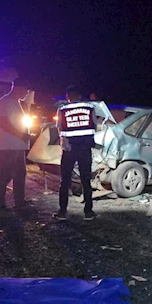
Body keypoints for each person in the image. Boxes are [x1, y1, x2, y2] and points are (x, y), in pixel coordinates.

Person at [53, 85, 96, 221]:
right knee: (86, 180)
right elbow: (94, 125)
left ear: (68, 97)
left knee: (65, 180)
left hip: (69, 148)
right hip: (85, 148)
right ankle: (88, 212)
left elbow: (59, 127)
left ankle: (62, 211)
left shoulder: (63, 109)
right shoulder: (90, 108)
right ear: (79, 96)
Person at [0, 77, 32, 212]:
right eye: (25, 91)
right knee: (5, 175)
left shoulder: (17, 103)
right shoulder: (5, 101)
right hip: (7, 146)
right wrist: (21, 135)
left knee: (20, 174)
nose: (26, 94)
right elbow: (2, 122)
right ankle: (0, 206)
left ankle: (19, 202)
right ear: (18, 88)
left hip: (17, 146)